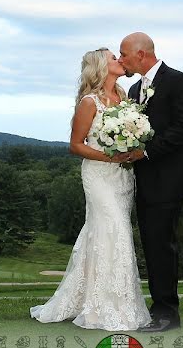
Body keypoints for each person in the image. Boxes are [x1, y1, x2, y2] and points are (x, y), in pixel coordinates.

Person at [30, 48, 152, 331]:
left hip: (122, 178)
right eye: (113, 58)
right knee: (115, 230)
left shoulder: (125, 98)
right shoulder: (89, 102)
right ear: (100, 67)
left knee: (102, 233)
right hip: (98, 176)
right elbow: (76, 145)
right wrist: (110, 156)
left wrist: (132, 147)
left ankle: (108, 300)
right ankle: (101, 310)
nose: (119, 61)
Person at [119, 32, 183, 333]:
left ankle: (167, 314)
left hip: (169, 180)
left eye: (124, 54)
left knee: (161, 246)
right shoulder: (133, 89)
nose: (121, 59)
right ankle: (158, 309)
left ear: (141, 54)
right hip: (144, 181)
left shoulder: (178, 80)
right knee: (152, 245)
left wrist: (146, 151)